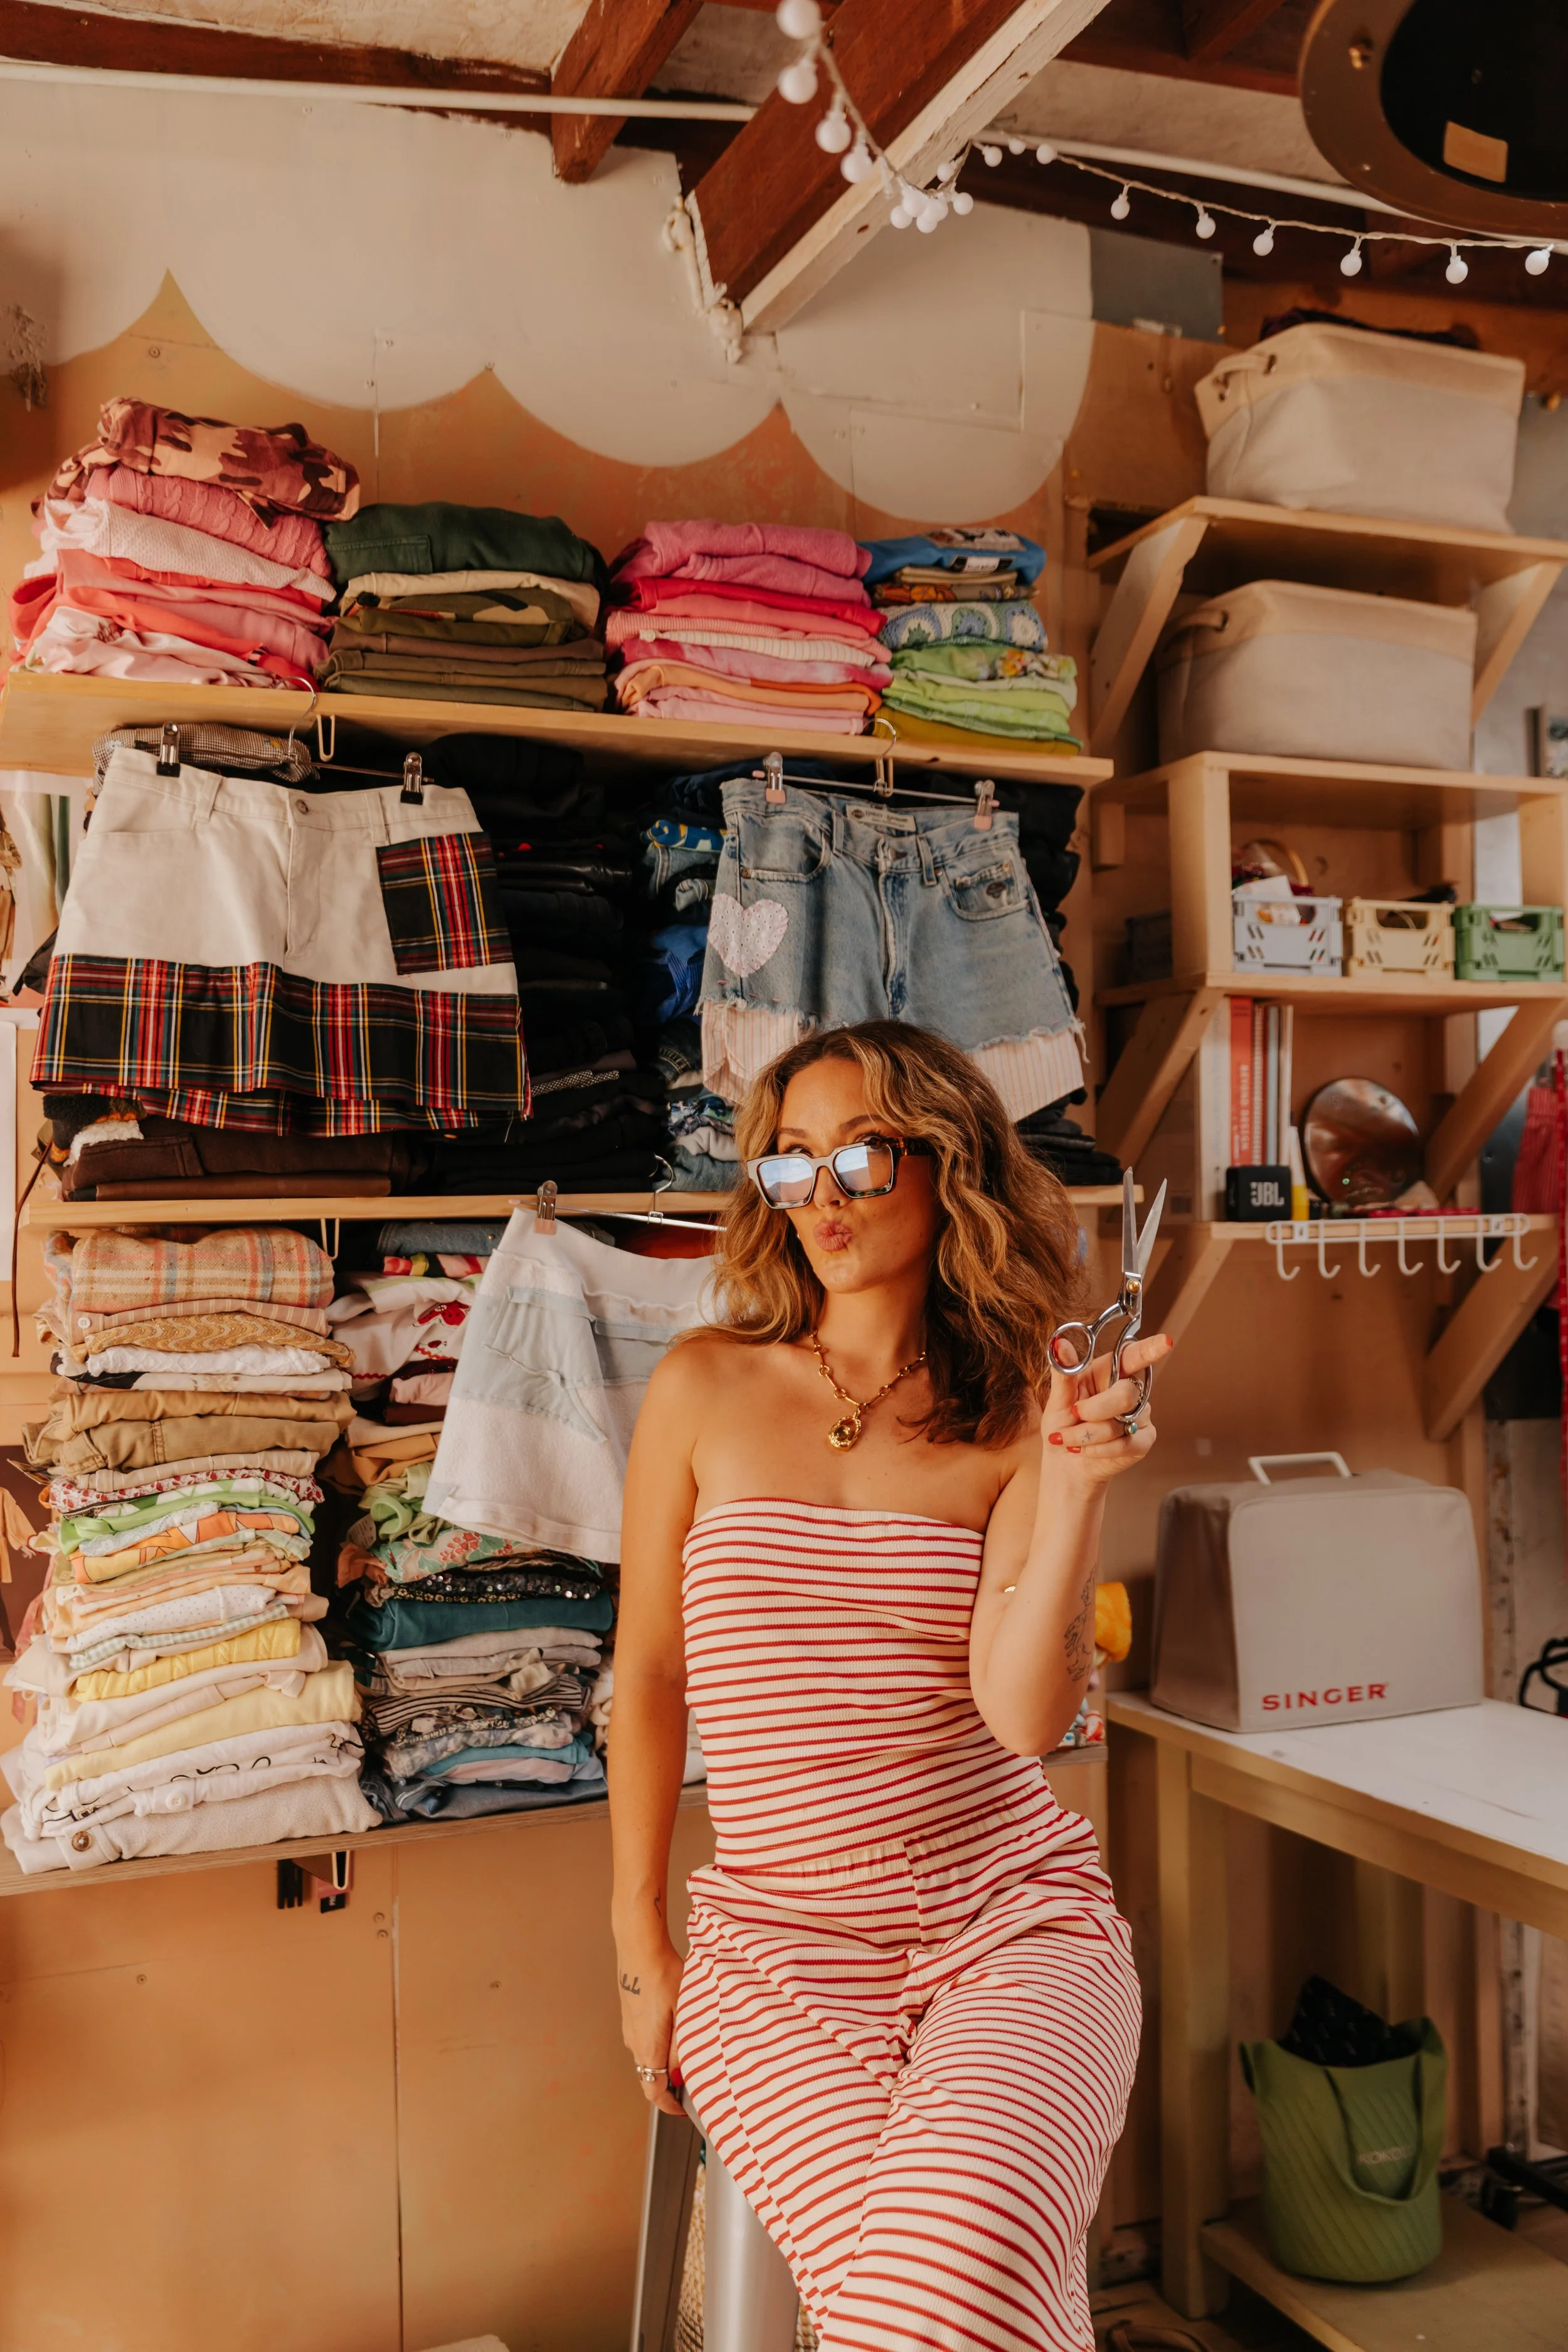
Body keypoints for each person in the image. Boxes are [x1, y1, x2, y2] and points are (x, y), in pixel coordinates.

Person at [609, 1019, 1170, 2352]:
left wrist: (1078, 1484)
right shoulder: (700, 1388)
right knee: (941, 2307)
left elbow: (1022, 1716)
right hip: (775, 1959)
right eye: (789, 1164)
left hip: (1011, 1933)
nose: (821, 1197)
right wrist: (639, 1949)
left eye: (858, 1156)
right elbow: (643, 1676)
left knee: (935, 2301)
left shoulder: (1017, 1407)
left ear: (944, 1164)